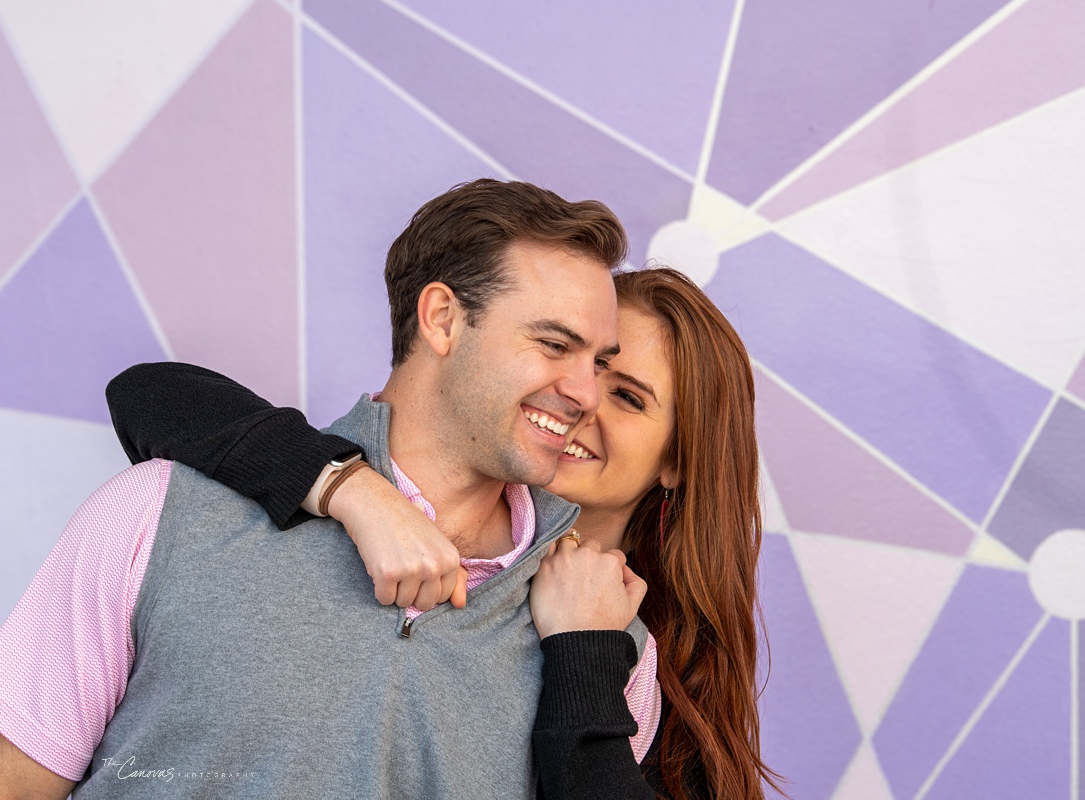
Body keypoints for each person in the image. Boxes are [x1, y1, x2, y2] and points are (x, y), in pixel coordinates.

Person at [0, 179, 656, 799]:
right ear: (442, 318)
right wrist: (352, 489)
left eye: (601, 363)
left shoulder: (603, 641)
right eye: (555, 345)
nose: (585, 392)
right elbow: (4, 786)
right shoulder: (157, 514)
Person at [105, 268, 785, 799]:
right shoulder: (372, 511)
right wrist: (357, 493)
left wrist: (586, 653)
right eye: (576, 358)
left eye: (628, 396)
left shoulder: (651, 674)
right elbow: (151, 394)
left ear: (677, 460)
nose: (580, 395)